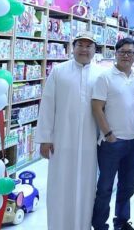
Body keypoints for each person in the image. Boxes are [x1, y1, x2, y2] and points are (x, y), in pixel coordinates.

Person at [36, 31, 102, 230]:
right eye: (80, 45)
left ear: (94, 50)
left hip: (90, 142)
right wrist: (45, 138)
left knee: (86, 187)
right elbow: (48, 105)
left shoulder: (101, 74)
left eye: (88, 46)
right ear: (73, 48)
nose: (84, 49)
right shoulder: (59, 71)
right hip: (62, 141)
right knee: (60, 185)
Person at [91, 37, 134, 230]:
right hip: (111, 142)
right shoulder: (105, 77)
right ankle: (99, 224)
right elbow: (97, 107)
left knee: (127, 186)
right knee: (105, 187)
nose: (126, 55)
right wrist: (108, 134)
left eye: (130, 52)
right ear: (116, 54)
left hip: (133, 141)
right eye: (122, 52)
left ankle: (121, 222)